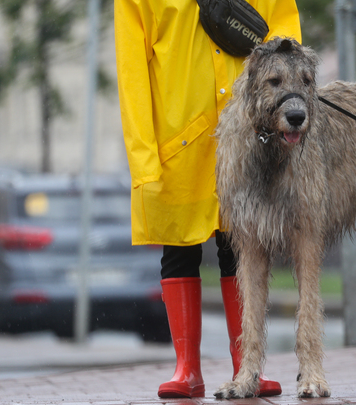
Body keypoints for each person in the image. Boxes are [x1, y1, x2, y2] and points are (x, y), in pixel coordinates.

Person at [114, 0, 301, 398]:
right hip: (178, 145)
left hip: (248, 140)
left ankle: (245, 367)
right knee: (179, 249)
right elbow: (131, 73)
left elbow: (287, 45)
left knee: (242, 248)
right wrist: (144, 158)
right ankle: (187, 370)